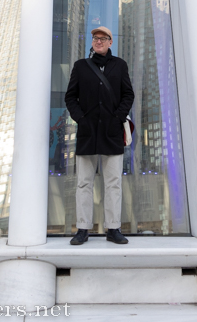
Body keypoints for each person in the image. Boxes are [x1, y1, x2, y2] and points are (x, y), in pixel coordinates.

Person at [64, 26, 134, 245]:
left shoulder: (120, 65)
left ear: (110, 42)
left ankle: (113, 229)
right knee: (84, 183)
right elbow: (70, 97)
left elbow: (128, 94)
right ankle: (83, 229)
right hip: (87, 132)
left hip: (112, 132)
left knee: (113, 183)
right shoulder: (81, 66)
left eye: (103, 38)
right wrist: (81, 119)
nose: (99, 41)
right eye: (95, 38)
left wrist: (117, 118)